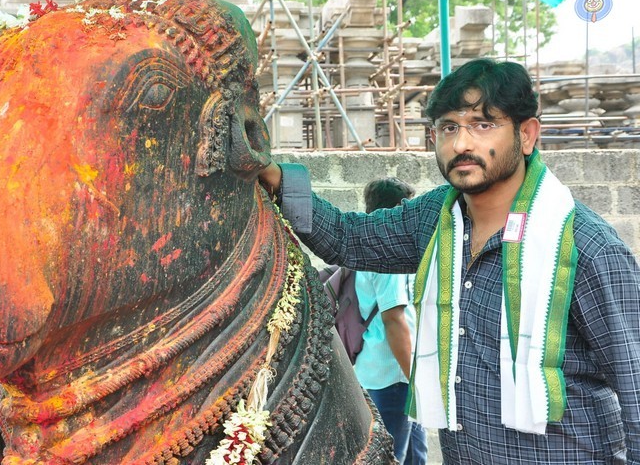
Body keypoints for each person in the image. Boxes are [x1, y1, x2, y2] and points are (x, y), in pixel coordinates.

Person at [260, 58, 640, 464]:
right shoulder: (432, 221)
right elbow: (346, 238)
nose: (461, 144)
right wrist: (275, 176)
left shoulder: (586, 246)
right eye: (448, 127)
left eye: (483, 124)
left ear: (527, 135)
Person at [355, 178, 428, 465]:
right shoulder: (390, 258)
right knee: (392, 458)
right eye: (408, 209)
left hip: (379, 373)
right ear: (396, 211)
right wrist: (416, 379)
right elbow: (394, 320)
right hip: (395, 378)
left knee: (414, 456)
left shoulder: (367, 247)